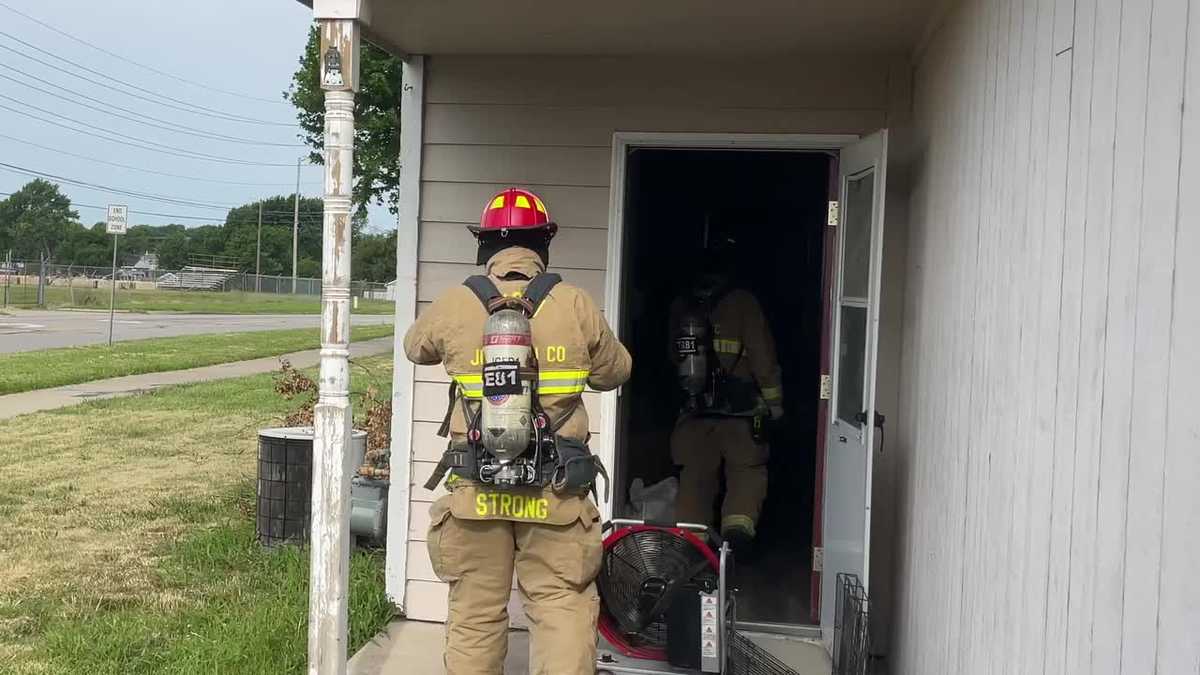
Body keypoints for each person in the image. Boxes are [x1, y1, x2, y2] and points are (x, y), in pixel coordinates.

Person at [404, 187, 632, 675]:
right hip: (556, 491)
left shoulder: (456, 302)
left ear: (485, 246)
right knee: (561, 607)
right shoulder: (574, 303)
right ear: (542, 245)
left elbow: (415, 348)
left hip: (475, 488)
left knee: (476, 617)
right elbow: (616, 372)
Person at [669, 224, 784, 555]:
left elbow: (671, 357)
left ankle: (692, 552)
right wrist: (776, 408)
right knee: (746, 475)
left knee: (695, 482)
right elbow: (763, 358)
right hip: (741, 413)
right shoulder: (743, 303)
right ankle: (737, 539)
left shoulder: (682, 305)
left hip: (693, 413)